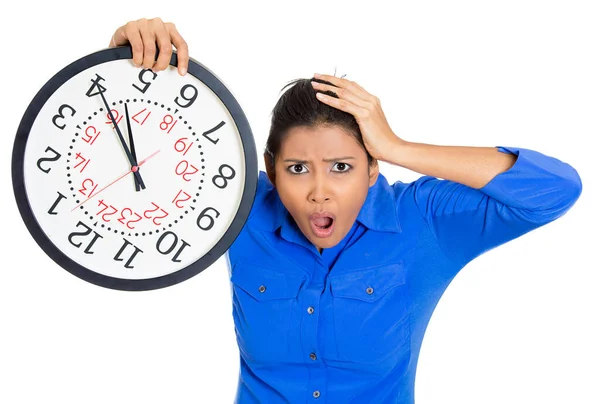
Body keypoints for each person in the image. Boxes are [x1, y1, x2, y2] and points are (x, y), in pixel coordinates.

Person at [109, 18, 583, 404]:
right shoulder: (237, 206)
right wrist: (124, 61)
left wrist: (398, 145)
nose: (320, 192)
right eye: (297, 168)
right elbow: (137, 163)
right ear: (271, 171)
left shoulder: (422, 221)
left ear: (373, 167)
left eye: (342, 166)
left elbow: (557, 189)